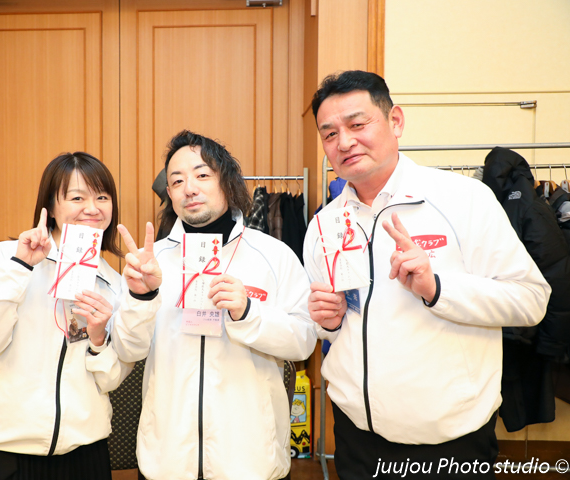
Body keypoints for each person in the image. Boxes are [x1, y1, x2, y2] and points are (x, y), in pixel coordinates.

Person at [303, 71, 551, 479]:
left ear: (395, 121)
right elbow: (331, 325)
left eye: (357, 124)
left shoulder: (464, 199)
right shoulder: (324, 225)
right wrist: (326, 323)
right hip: (356, 435)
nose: (344, 142)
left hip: (450, 440)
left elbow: (531, 300)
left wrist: (438, 288)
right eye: (329, 134)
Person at [111, 130, 317, 480]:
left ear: (227, 182)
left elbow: (304, 341)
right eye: (177, 181)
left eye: (202, 175)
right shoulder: (150, 263)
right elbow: (127, 350)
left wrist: (248, 312)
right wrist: (141, 297)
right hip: (167, 461)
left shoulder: (273, 255)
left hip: (250, 463)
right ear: (169, 194)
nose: (189, 188)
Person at [0, 152, 131, 480]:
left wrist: (98, 339)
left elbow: (110, 380)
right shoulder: (9, 257)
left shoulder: (113, 283)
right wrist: (21, 267)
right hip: (5, 448)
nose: (92, 208)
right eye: (77, 198)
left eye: (102, 197)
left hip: (84, 450)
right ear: (50, 206)